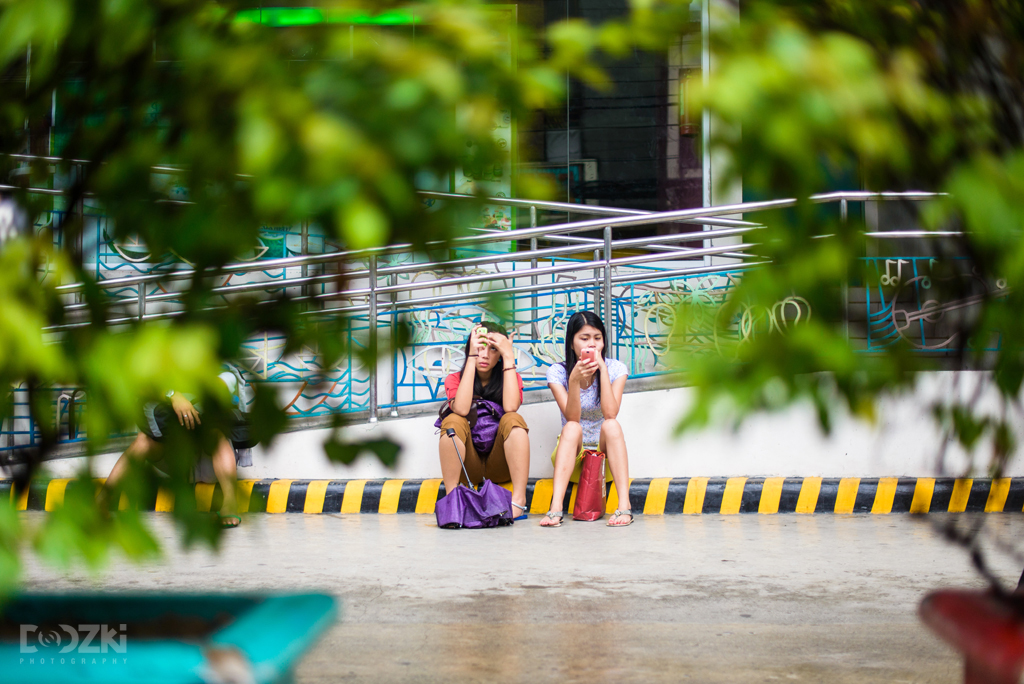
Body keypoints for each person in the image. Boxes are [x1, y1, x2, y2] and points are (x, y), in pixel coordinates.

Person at [103, 366, 255, 528]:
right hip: (174, 463)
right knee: (144, 439)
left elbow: (215, 388)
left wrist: (179, 397)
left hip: (209, 464)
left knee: (216, 433)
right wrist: (174, 396)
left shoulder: (226, 373)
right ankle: (103, 501)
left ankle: (230, 504)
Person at [542, 310, 632, 527]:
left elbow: (611, 413)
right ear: (572, 342)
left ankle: (625, 507)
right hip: (572, 457)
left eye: (597, 338)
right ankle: (556, 509)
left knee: (611, 425)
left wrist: (602, 369)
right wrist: (573, 381)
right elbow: (572, 417)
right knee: (572, 427)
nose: (592, 345)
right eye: (584, 338)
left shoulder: (616, 368)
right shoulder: (557, 372)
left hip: (603, 460)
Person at [438, 321, 530, 520]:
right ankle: (452, 500)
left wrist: (509, 356)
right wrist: (471, 357)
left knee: (513, 419)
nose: (485, 354)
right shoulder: (454, 379)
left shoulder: (511, 378)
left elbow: (511, 407)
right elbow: (462, 408)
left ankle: (519, 501)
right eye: (479, 347)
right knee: (453, 420)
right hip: (468, 467)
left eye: (494, 349)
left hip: (500, 464)